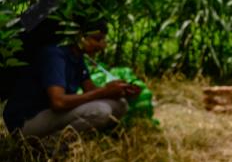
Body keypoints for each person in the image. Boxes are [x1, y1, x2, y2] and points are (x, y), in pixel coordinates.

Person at [2, 20, 140, 139]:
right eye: (96, 39)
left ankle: (83, 138)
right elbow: (58, 102)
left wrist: (119, 90)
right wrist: (105, 91)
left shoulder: (77, 57)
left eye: (103, 40)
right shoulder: (54, 56)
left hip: (48, 114)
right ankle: (49, 147)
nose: (101, 46)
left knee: (120, 104)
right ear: (79, 37)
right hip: (26, 122)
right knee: (100, 111)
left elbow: (90, 90)